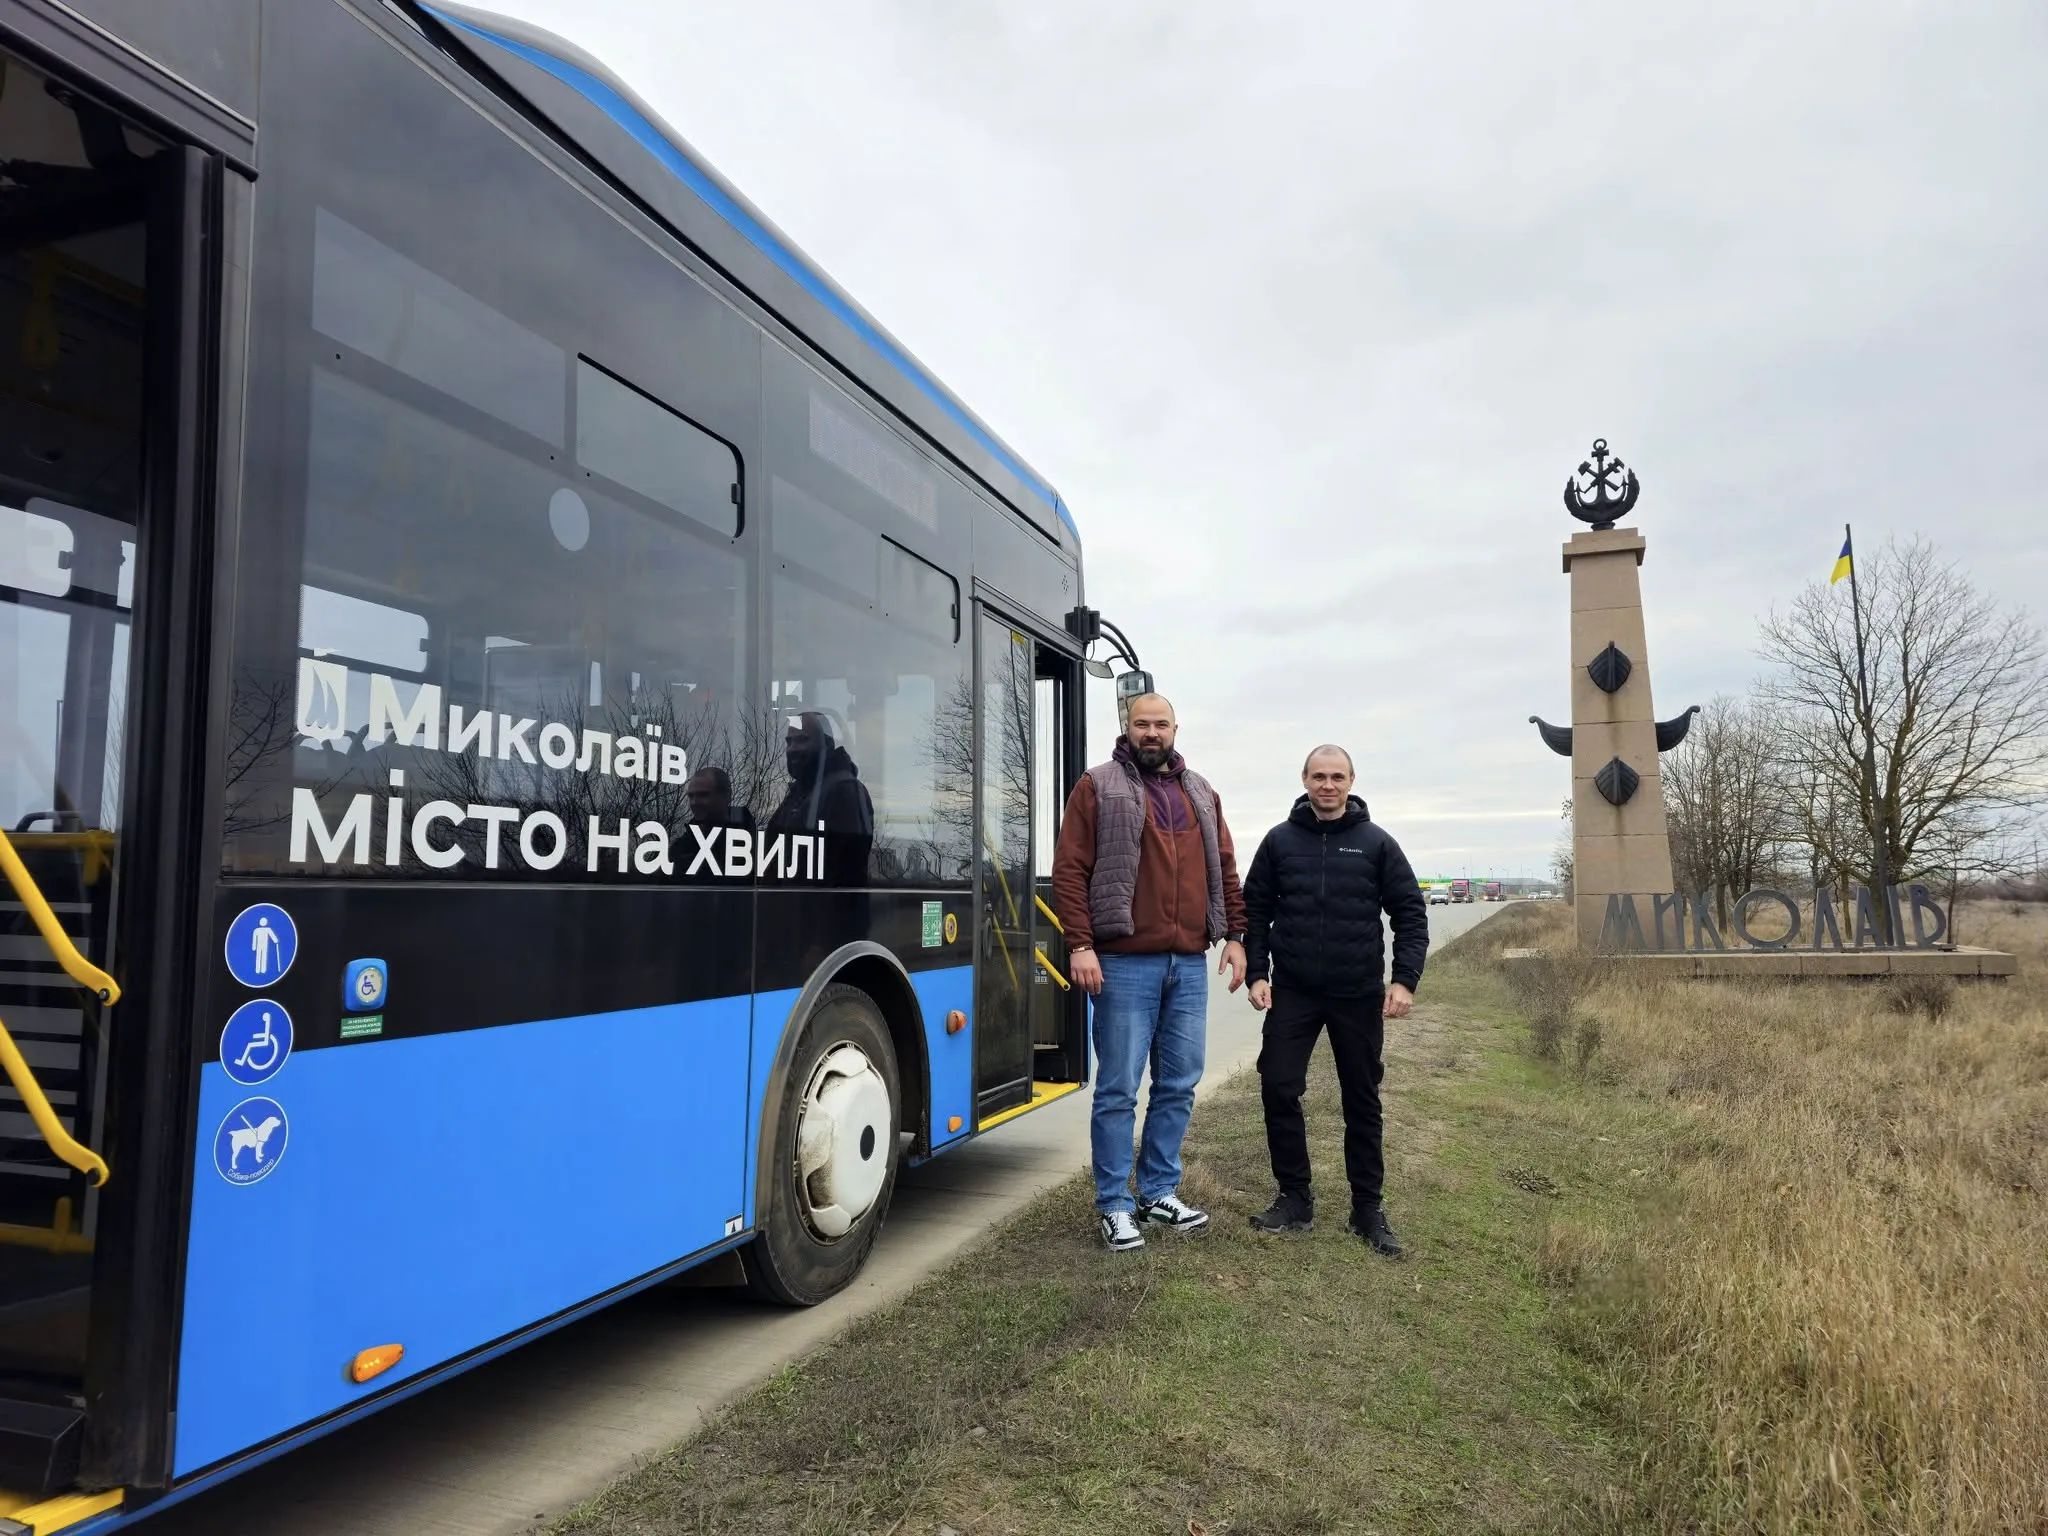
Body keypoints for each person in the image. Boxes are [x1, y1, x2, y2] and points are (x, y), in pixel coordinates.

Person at [1051, 693, 1247, 1252]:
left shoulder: (1201, 792)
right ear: (1128, 728)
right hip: (1122, 963)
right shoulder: (1097, 786)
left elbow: (1225, 869)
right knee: (1118, 1088)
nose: (1152, 732)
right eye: (1142, 724)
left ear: (1176, 729)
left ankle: (1159, 1191)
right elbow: (1070, 869)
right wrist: (1080, 943)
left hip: (1187, 962)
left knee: (1179, 1084)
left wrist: (1236, 937)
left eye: (1161, 724)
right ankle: (1114, 1204)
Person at [1242, 744, 1428, 1256]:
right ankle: (1294, 1198)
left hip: (1357, 993)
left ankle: (1366, 1208)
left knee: (1361, 1099)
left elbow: (1410, 913)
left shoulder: (1376, 843)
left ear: (1351, 781)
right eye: (1319, 776)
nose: (1328, 785)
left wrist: (1404, 980)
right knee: (1279, 1086)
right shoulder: (1279, 842)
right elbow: (1254, 911)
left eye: (1337, 777)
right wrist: (1257, 973)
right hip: (1294, 991)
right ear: (1304, 779)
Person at [765, 711, 873, 887]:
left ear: (827, 745)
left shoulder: (845, 791)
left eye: (802, 740)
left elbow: (843, 876)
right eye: (789, 742)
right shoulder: (797, 795)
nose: (792, 749)